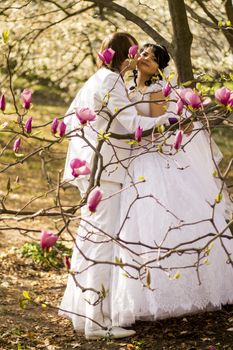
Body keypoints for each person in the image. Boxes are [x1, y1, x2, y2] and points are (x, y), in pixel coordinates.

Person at [59, 34, 173, 340]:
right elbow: (131, 122)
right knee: (101, 247)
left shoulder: (101, 77)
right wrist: (170, 119)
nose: (138, 57)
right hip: (108, 174)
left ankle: (88, 317)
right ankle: (97, 323)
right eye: (134, 52)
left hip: (101, 172)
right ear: (125, 56)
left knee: (92, 243)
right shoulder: (111, 81)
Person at [111, 43, 233, 326]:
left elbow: (160, 128)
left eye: (151, 59)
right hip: (133, 161)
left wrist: (132, 133)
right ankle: (139, 293)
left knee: (158, 223)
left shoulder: (157, 92)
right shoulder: (125, 88)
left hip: (152, 161)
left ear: (159, 69)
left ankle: (172, 293)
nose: (143, 59)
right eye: (142, 54)